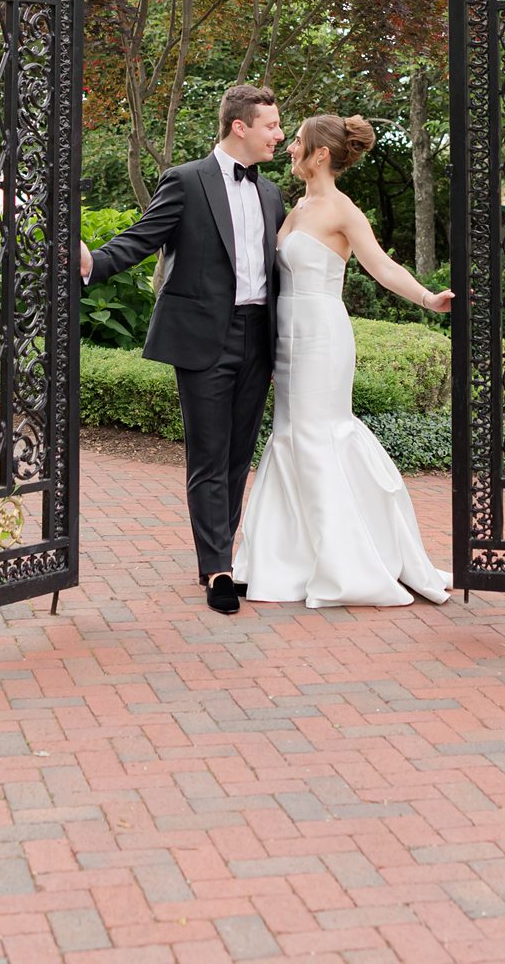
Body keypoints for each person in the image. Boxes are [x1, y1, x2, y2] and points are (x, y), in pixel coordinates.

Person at [233, 114, 455, 609]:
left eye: (296, 141)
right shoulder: (296, 206)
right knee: (290, 436)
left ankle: (349, 564)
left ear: (320, 155)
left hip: (323, 338)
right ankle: (288, 561)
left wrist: (427, 298)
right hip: (286, 341)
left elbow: (380, 265)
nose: (288, 146)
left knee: (319, 436)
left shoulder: (342, 209)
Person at [79, 85, 284, 615]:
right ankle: (217, 568)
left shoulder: (272, 194)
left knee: (240, 457)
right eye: (271, 126)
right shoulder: (187, 181)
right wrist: (92, 264)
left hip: (258, 336)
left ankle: (222, 556)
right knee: (208, 456)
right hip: (202, 338)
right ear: (240, 126)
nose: (279, 136)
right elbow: (142, 237)